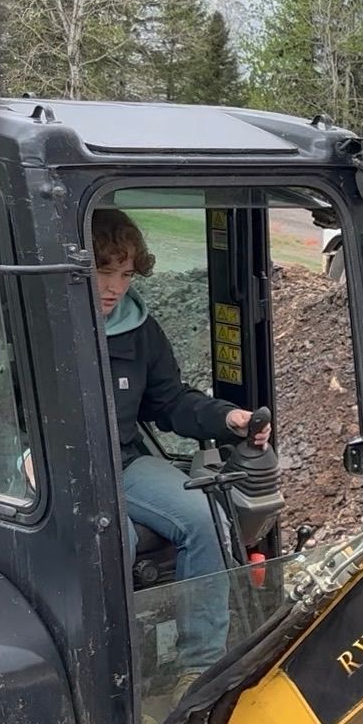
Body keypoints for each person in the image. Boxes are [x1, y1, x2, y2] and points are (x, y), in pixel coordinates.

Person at [93, 208, 271, 698]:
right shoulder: (25, 320)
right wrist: (16, 453)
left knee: (205, 516)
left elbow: (169, 402)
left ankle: (198, 671)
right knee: (111, 540)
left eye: (126, 275)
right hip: (43, 471)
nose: (115, 287)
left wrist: (228, 419)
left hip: (121, 463)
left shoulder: (137, 330)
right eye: (104, 271)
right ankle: (108, 680)